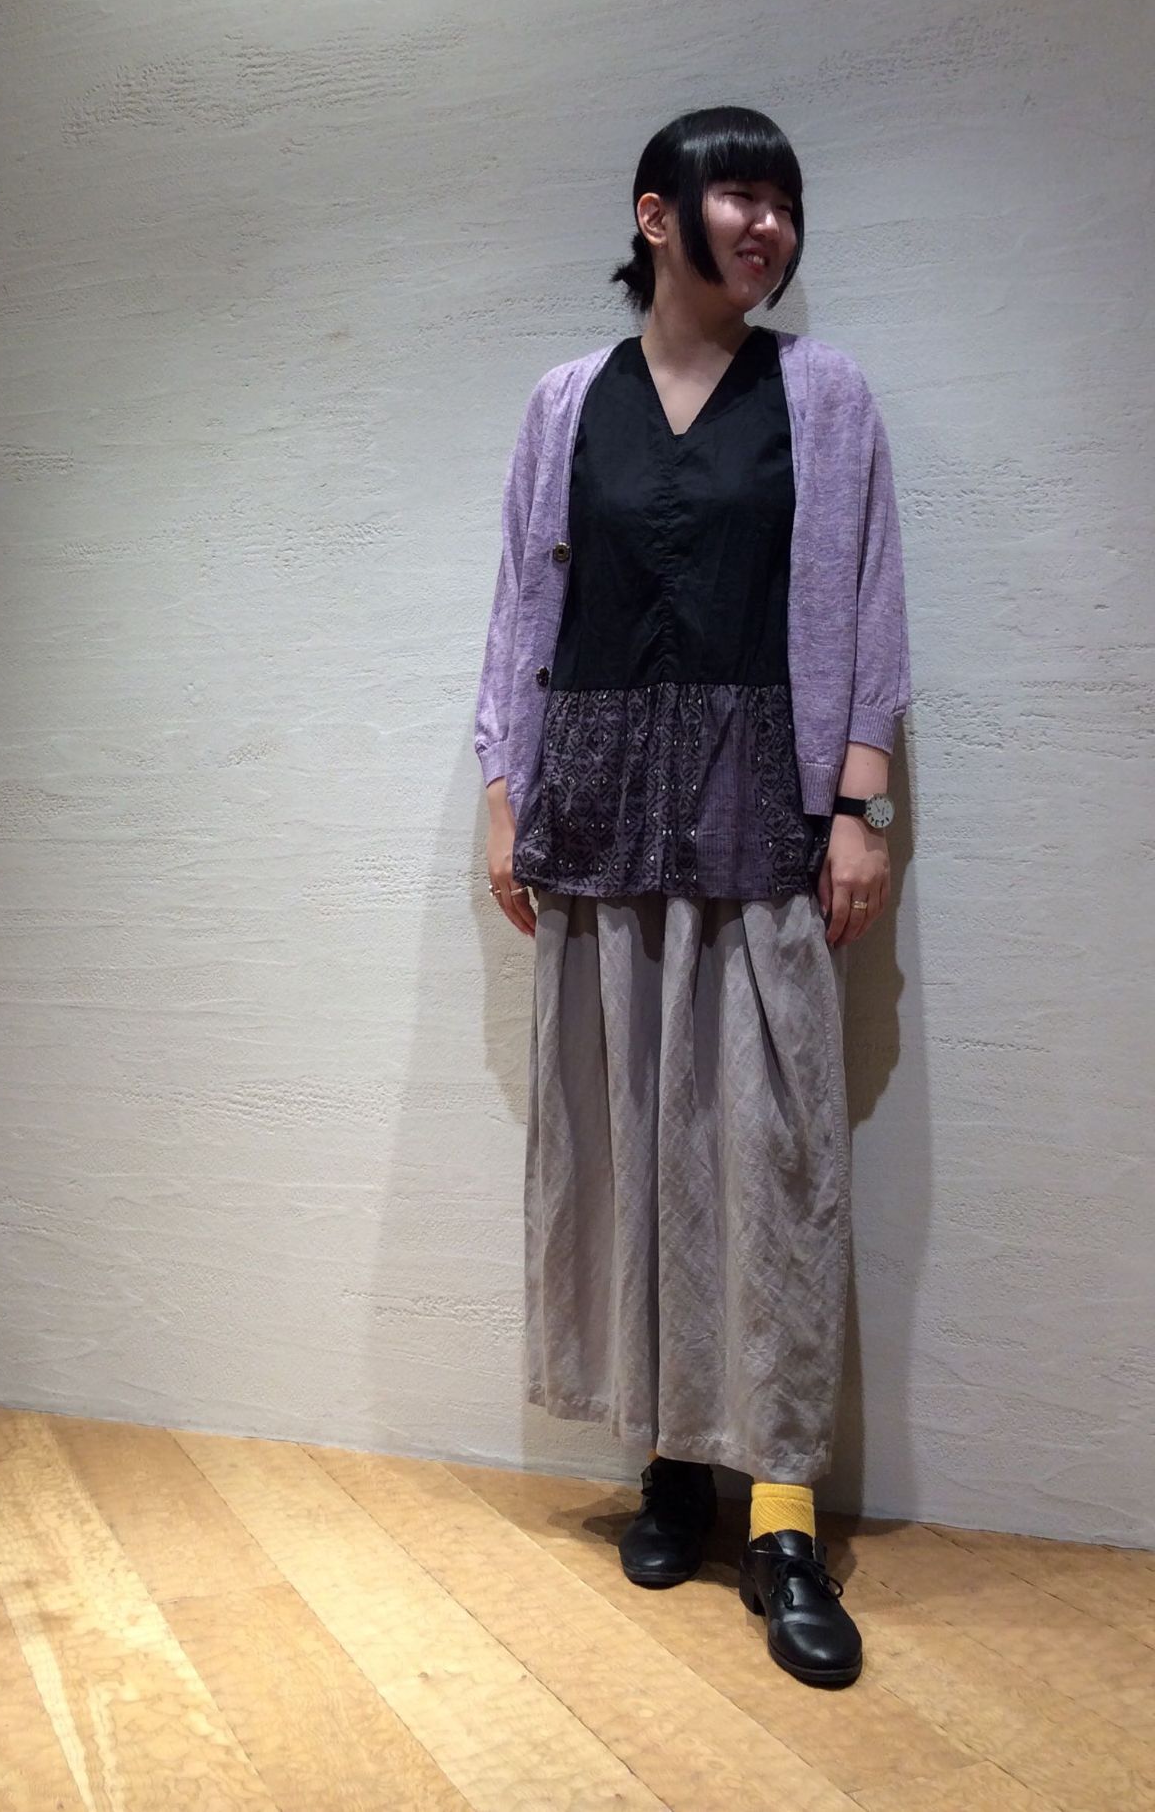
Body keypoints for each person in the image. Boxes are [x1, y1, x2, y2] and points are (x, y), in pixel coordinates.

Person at [473, 105, 911, 1688]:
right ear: (658, 214)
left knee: (773, 1163)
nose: (771, 224)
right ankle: (666, 1460)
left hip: (758, 812)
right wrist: (506, 798)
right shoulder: (563, 403)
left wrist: (858, 806)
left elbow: (868, 599)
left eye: (788, 201)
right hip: (596, 814)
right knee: (631, 1147)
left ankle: (779, 1511)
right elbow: (525, 604)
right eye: (743, 195)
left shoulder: (825, 396)